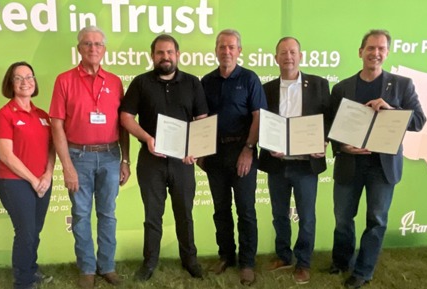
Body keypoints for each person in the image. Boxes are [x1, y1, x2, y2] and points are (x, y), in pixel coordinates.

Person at [328, 29, 426, 289]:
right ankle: (340, 262)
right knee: (342, 218)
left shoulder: (402, 85)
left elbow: (418, 121)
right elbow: (330, 127)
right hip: (350, 164)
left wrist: (392, 111)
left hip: (382, 168)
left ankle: (363, 271)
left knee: (377, 220)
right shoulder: (342, 88)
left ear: (387, 53)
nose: (376, 53)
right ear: (361, 52)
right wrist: (342, 147)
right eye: (371, 48)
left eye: (381, 48)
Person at [120, 34, 208, 282]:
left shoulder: (192, 83)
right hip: (151, 160)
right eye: (160, 53)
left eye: (169, 52)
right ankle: (149, 262)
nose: (165, 57)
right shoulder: (140, 83)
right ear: (152, 56)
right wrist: (147, 138)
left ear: (177, 55)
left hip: (182, 161)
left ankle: (190, 260)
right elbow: (126, 117)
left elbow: (201, 119)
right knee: (152, 215)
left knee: (185, 213)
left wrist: (195, 148)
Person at [49, 26, 130, 289]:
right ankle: (86, 267)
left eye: (98, 44)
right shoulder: (64, 80)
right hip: (78, 156)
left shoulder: (115, 81)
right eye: (87, 44)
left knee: (108, 214)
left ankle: (106, 266)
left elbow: (124, 124)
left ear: (104, 50)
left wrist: (125, 160)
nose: (93, 48)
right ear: (79, 49)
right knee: (81, 214)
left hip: (109, 155)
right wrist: (67, 167)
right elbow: (57, 125)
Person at [258, 37, 331, 284]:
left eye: (292, 52)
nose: (288, 57)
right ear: (275, 58)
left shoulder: (319, 85)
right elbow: (260, 124)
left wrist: (324, 142)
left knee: (306, 217)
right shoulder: (266, 88)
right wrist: (268, 146)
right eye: (283, 53)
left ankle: (303, 263)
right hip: (277, 164)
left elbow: (329, 120)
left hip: (305, 165)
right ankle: (283, 255)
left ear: (300, 56)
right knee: (279, 214)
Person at [198, 29, 266, 286]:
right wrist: (202, 151)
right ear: (216, 50)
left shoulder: (249, 78)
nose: (226, 51)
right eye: (222, 47)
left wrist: (249, 149)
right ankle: (226, 255)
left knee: (246, 210)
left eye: (231, 47)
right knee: (220, 208)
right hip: (215, 154)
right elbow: (201, 119)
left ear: (239, 51)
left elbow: (258, 116)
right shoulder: (206, 81)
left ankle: (247, 262)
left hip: (242, 151)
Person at [0, 62, 55, 289]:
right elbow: (6, 156)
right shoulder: (5, 115)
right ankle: (23, 281)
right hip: (14, 182)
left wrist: (48, 174)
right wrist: (34, 179)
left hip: (42, 181)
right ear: (10, 84)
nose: (25, 82)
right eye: (18, 78)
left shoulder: (43, 115)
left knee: (35, 230)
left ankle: (31, 269)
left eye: (29, 76)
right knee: (26, 232)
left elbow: (51, 148)